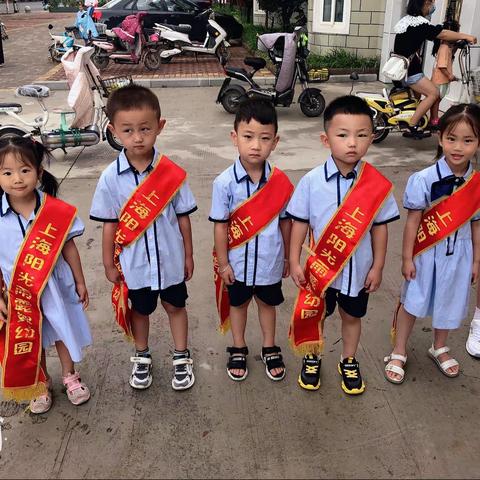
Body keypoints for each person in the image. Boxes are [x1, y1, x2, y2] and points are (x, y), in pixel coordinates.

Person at [287, 96, 400, 394]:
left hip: (358, 272)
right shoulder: (311, 182)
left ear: (372, 138)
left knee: (352, 317)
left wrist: (377, 266)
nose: (352, 143)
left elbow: (380, 229)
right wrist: (295, 261)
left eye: (362, 135)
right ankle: (312, 356)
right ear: (326, 139)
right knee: (317, 315)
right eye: (343, 135)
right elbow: (299, 223)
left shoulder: (375, 185)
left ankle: (348, 360)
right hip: (320, 271)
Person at [90, 84, 197, 391]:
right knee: (140, 310)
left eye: (145, 129)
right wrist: (109, 263)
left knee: (176, 306)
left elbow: (183, 218)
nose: (137, 137)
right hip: (134, 265)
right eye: (128, 130)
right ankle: (142, 355)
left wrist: (188, 255)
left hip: (171, 260)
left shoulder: (171, 172)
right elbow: (109, 225)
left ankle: (181, 355)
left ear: (159, 126)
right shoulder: (110, 177)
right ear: (113, 130)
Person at [385, 103, 480, 384]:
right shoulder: (423, 179)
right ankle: (400, 350)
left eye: (468, 140)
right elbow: (413, 222)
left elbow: (476, 223)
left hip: (459, 252)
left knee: (449, 300)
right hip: (426, 252)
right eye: (451, 138)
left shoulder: (476, 184)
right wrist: (406, 258)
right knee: (412, 301)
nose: (458, 147)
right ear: (440, 138)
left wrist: (476, 260)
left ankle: (439, 346)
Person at [0, 137, 91, 414]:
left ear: (39, 173)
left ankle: (70, 376)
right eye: (7, 172)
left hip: (56, 285)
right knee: (30, 336)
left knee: (62, 330)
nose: (17, 179)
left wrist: (79, 279)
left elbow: (69, 247)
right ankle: (40, 383)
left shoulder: (54, 210)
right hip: (19, 291)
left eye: (25, 170)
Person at [209, 98, 293, 382]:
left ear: (275, 141)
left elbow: (285, 222)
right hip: (238, 263)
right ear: (235, 138)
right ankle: (238, 345)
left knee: (268, 305)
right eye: (248, 137)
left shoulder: (280, 183)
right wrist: (223, 264)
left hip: (269, 261)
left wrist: (286, 259)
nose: (256, 145)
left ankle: (269, 346)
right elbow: (220, 226)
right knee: (239, 305)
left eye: (264, 138)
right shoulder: (224, 183)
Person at [393, 0, 476, 139]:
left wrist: (456, 43)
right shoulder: (419, 23)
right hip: (410, 71)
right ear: (424, 4)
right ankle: (412, 125)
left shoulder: (406, 22)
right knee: (434, 93)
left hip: (401, 68)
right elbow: (442, 34)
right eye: (431, 3)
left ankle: (417, 119)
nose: (432, 7)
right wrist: (466, 36)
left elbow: (438, 35)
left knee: (418, 97)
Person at [429, 20, 460, 128]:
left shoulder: (445, 46)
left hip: (440, 79)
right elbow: (442, 66)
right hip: (440, 80)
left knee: (436, 100)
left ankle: (432, 119)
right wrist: (450, 76)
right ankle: (434, 120)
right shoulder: (444, 48)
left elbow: (450, 56)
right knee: (436, 101)